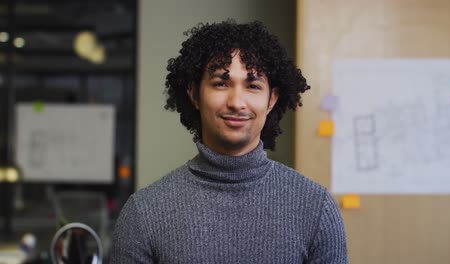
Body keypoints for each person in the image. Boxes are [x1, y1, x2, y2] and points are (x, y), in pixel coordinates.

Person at [110, 20, 348, 263]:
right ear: (194, 94)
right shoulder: (144, 213)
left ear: (272, 99)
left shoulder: (316, 209)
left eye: (253, 85)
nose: (237, 102)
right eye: (221, 83)